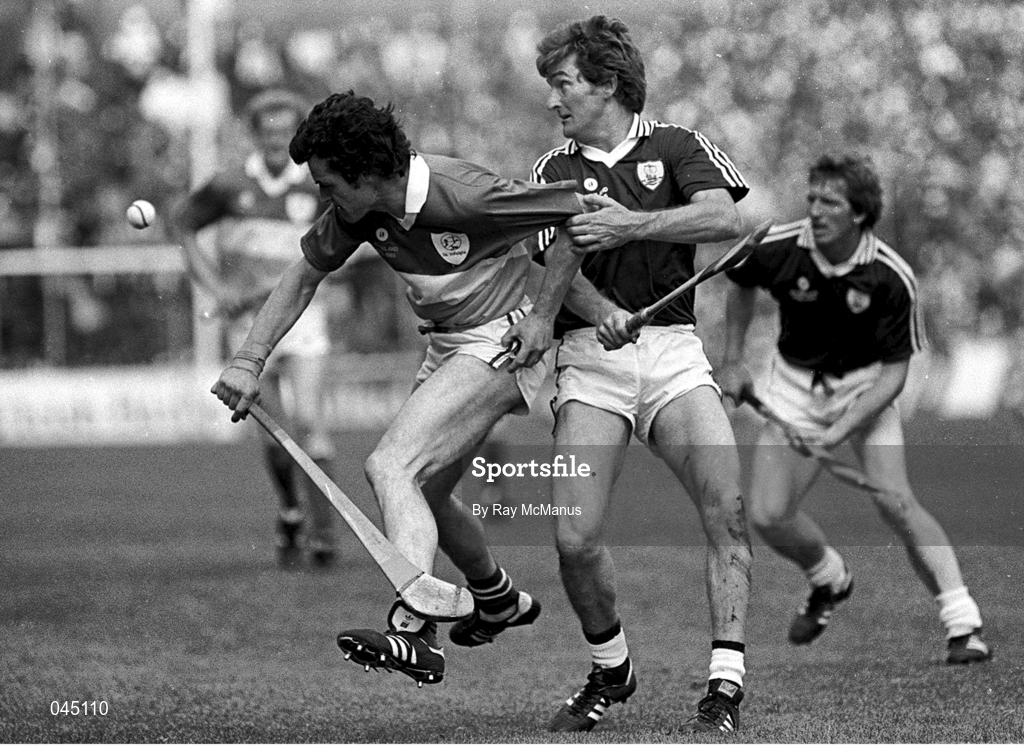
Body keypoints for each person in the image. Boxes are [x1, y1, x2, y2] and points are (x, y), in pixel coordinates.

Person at [211, 91, 592, 687]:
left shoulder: (463, 190)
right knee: (428, 496)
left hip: (502, 338)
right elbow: (303, 275)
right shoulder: (357, 211)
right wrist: (248, 359)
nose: (321, 196)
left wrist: (544, 316)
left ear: (364, 173)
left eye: (328, 183)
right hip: (447, 344)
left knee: (391, 466)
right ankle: (496, 598)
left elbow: (578, 213)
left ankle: (412, 633)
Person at [530, 16, 753, 734]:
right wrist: (602, 312)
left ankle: (725, 680)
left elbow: (723, 220)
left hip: (674, 354)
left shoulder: (678, 145)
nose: (554, 100)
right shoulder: (553, 170)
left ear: (607, 83)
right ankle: (611, 667)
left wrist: (632, 225)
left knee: (726, 505)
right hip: (592, 361)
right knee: (573, 536)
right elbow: (552, 269)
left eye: (563, 84)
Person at [718, 153, 992, 665]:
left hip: (864, 392)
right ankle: (829, 578)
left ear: (860, 214)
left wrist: (840, 427)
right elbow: (741, 281)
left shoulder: (891, 277)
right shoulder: (780, 246)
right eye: (812, 198)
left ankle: (964, 624)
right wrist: (732, 361)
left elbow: (895, 374)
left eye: (831, 202)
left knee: (894, 501)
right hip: (793, 390)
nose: (815, 210)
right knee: (768, 515)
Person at [171, 89, 339, 569]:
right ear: (254, 135)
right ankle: (291, 510)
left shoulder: (318, 186)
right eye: (266, 133)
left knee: (309, 423)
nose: (275, 141)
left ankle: (324, 535)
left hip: (305, 318)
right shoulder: (229, 186)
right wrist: (215, 286)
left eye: (285, 133)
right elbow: (181, 224)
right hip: (250, 325)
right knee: (274, 438)